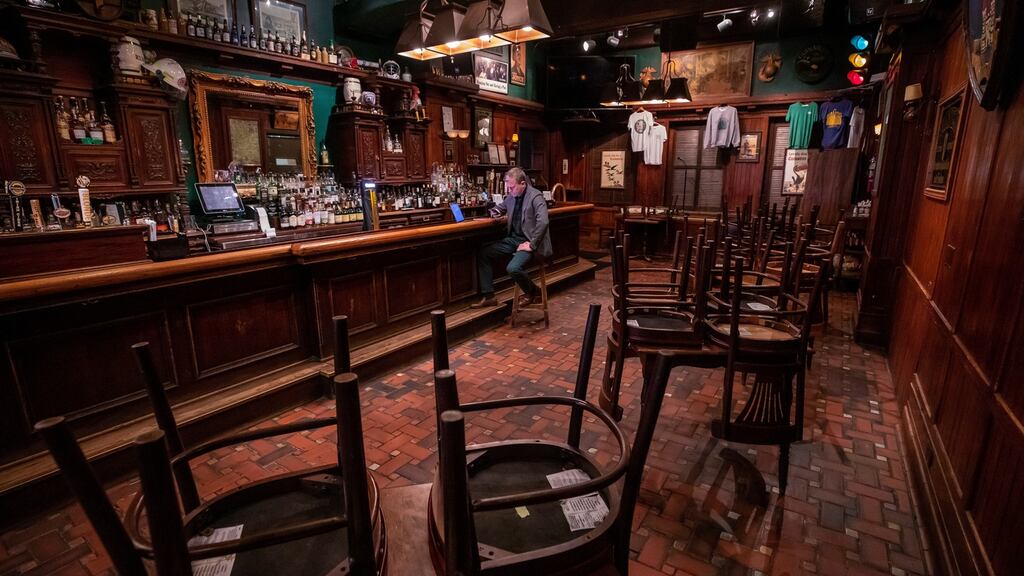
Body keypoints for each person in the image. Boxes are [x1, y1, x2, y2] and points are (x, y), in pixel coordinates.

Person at [471, 167, 551, 308]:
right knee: (484, 254)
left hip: (530, 242)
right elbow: (500, 207)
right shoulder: (511, 196)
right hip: (514, 240)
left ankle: (534, 292)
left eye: (512, 187)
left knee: (513, 268)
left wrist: (532, 245)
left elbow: (543, 221)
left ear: (523, 183)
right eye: (508, 187)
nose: (509, 191)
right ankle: (489, 296)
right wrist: (494, 212)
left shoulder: (535, 196)